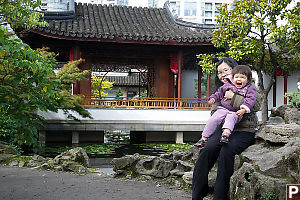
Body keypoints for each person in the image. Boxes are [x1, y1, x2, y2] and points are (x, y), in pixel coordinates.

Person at [192, 57, 260, 200]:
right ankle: (198, 193)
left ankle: (220, 196)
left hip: (244, 130)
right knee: (206, 151)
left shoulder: (250, 87)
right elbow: (215, 111)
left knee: (226, 152)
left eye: (225, 71)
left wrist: (233, 97)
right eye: (219, 72)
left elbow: (255, 106)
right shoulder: (222, 89)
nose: (222, 75)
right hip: (224, 129)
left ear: (235, 70)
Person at [194, 65, 257, 147]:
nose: (239, 79)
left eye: (242, 77)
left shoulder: (250, 88)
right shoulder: (227, 85)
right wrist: (213, 99)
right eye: (236, 77)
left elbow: (250, 100)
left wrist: (244, 109)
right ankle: (204, 138)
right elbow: (219, 93)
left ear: (248, 79)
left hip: (235, 111)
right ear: (232, 78)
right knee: (213, 119)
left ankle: (225, 135)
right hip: (223, 109)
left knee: (230, 118)